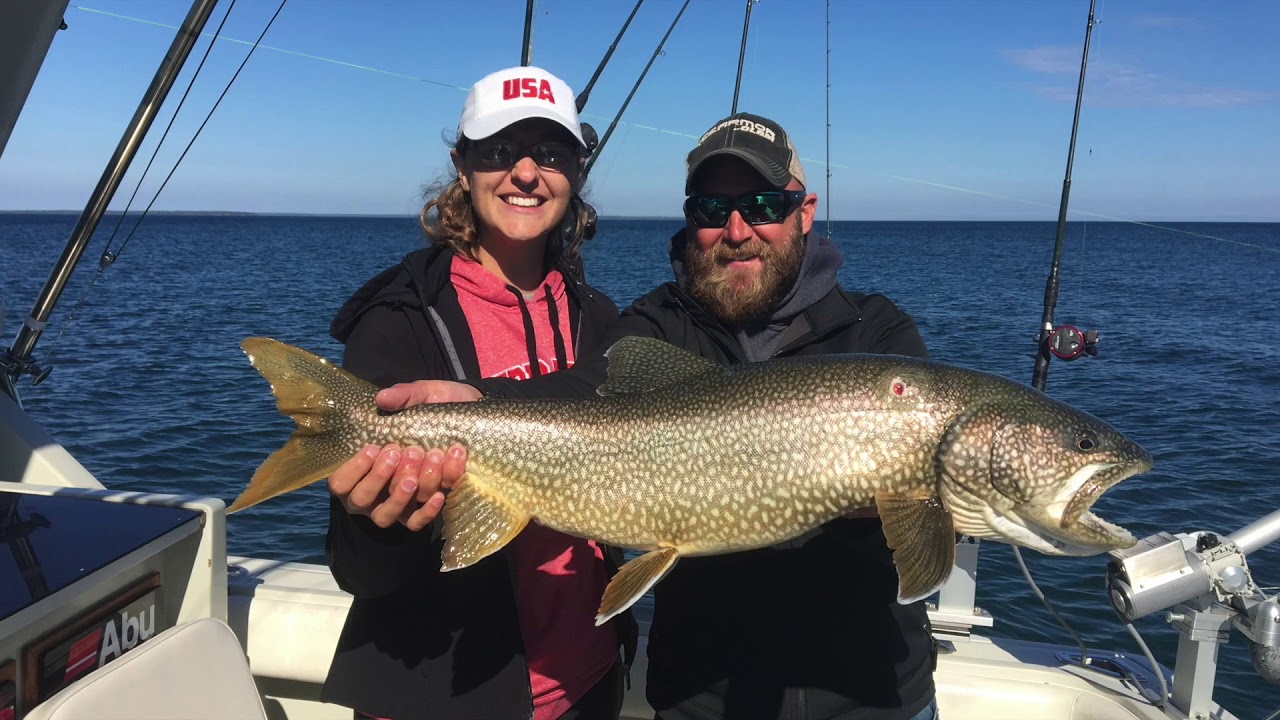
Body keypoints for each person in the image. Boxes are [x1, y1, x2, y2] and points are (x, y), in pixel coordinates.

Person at [355, 112, 940, 720]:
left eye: (763, 204)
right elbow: (579, 396)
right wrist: (475, 404)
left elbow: (921, 538)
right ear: (690, 219)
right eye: (711, 209)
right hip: (699, 701)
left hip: (873, 699)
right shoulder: (654, 325)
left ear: (805, 211)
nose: (737, 229)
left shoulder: (877, 335)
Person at [319, 65, 637, 720]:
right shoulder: (398, 319)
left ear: (577, 172)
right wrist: (379, 519)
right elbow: (361, 572)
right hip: (445, 695)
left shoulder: (601, 319)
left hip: (587, 683)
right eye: (499, 151)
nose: (525, 172)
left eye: (550, 153)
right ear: (462, 168)